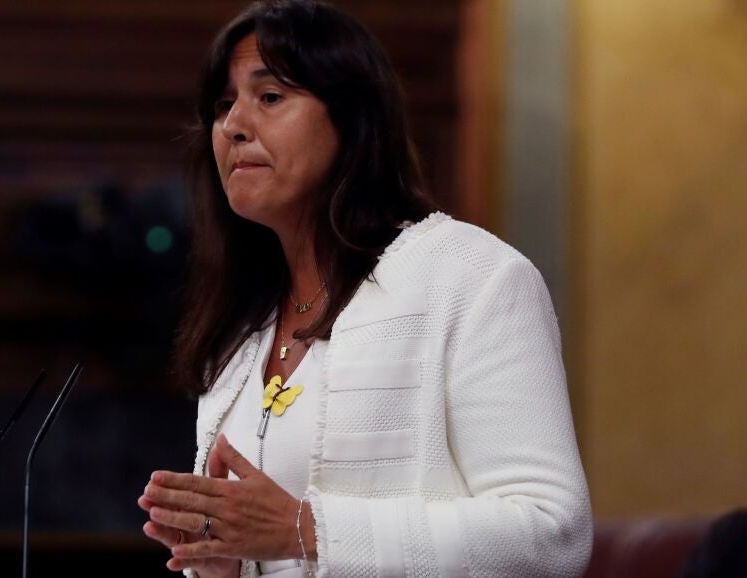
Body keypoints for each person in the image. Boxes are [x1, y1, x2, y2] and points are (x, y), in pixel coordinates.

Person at [138, 1, 593, 576]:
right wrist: (226, 565)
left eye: (269, 97)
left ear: (352, 119)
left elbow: (553, 535)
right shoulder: (241, 327)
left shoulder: (470, 276)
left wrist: (305, 531)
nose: (233, 126)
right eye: (223, 105)